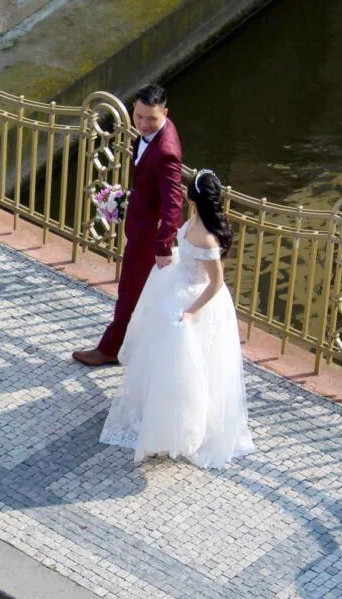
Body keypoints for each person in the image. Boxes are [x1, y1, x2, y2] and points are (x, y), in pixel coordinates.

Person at [98, 170, 254, 468]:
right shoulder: (195, 221)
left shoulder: (208, 239)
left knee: (193, 365)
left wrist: (191, 311)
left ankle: (184, 427)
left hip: (196, 298)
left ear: (194, 200)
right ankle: (157, 410)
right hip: (177, 283)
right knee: (163, 356)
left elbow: (215, 283)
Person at [75, 84, 185, 366]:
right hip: (140, 224)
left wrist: (163, 245)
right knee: (139, 293)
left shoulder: (166, 152)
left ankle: (110, 349)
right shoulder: (152, 135)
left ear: (165, 113)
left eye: (151, 119)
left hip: (148, 237)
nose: (143, 124)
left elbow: (174, 203)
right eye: (138, 117)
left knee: (129, 293)